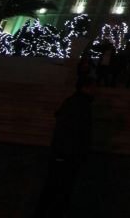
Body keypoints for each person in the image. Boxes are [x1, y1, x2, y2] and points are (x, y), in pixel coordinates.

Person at [34, 77, 96, 217]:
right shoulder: (80, 105)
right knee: (59, 187)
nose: (96, 90)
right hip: (68, 153)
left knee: (55, 186)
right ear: (86, 87)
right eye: (93, 87)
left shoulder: (73, 102)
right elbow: (76, 130)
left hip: (64, 152)